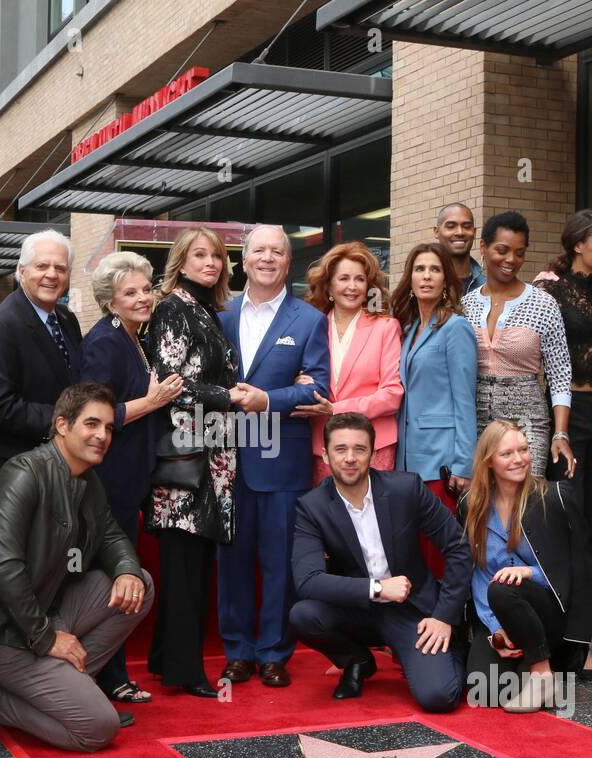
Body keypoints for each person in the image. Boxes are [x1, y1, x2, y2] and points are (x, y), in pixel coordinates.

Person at [0, 383, 154, 752]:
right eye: (91, 424)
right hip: (7, 634)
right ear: (62, 425)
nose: (102, 435)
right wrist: (46, 638)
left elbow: (111, 537)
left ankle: (70, 688)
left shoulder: (87, 480)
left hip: (52, 611)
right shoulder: (24, 473)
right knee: (98, 728)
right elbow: (3, 568)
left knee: (142, 585)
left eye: (107, 427)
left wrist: (127, 570)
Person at [290, 413, 472, 710]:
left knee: (438, 697)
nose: (350, 458)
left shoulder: (406, 489)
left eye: (359, 449)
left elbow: (459, 547)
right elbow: (307, 580)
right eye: (340, 449)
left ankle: (456, 647)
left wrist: (443, 617)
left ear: (373, 454)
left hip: (411, 610)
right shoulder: (312, 507)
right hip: (357, 609)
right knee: (303, 615)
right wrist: (377, 588)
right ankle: (358, 660)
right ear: (324, 454)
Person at [217, 224, 331, 689]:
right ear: (242, 261)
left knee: (280, 561)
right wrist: (289, 392)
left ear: (289, 263)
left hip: (282, 459)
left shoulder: (308, 319)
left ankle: (273, 652)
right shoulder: (217, 314)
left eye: (277, 252)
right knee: (232, 561)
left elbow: (318, 387)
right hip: (224, 456)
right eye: (258, 250)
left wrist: (269, 400)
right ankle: (238, 651)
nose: (267, 258)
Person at [80, 251, 182, 705]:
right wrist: (153, 400)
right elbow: (96, 414)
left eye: (146, 289)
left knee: (123, 568)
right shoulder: (104, 342)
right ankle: (108, 676)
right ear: (110, 302)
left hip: (131, 476)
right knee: (115, 572)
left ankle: (110, 673)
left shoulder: (133, 336)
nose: (143, 298)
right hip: (111, 478)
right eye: (131, 293)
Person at [534, 209, 592, 679]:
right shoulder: (548, 290)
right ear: (578, 245)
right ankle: (556, 633)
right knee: (563, 525)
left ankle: (582, 641)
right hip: (568, 416)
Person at [144, 227, 237, 697]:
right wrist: (230, 395)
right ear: (180, 261)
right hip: (186, 455)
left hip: (211, 453)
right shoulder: (173, 308)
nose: (211, 263)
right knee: (184, 567)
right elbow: (169, 384)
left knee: (193, 564)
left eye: (217, 256)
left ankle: (166, 659)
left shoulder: (206, 311)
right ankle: (184, 671)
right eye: (200, 255)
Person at [459, 420, 592, 712]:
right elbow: (479, 575)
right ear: (488, 461)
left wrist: (529, 572)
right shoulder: (471, 504)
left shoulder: (555, 496)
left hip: (548, 613)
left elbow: (578, 568)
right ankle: (538, 674)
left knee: (503, 587)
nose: (519, 459)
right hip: (501, 617)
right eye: (507, 453)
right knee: (486, 691)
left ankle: (542, 673)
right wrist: (497, 631)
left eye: (523, 449)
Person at [463, 211, 574, 476]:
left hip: (528, 421)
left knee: (526, 504)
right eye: (502, 250)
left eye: (520, 252)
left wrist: (561, 434)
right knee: (480, 503)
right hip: (475, 421)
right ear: (483, 247)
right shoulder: (465, 305)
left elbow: (560, 376)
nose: (511, 260)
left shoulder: (543, 304)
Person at [0, 229, 80, 495]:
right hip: (18, 470)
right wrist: (66, 422)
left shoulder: (66, 319)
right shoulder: (2, 325)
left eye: (60, 268)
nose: (52, 274)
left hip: (60, 464)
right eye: (42, 266)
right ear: (21, 272)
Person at [393, 241, 475, 579]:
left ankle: (447, 626)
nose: (426, 276)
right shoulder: (409, 329)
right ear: (410, 278)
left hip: (441, 462)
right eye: (420, 269)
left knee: (438, 550)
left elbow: (464, 400)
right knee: (413, 550)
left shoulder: (456, 327)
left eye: (435, 269)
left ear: (446, 280)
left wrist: (463, 464)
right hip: (407, 459)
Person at [295, 241, 403, 483]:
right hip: (323, 447)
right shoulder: (311, 328)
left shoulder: (386, 327)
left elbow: (392, 394)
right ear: (329, 286)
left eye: (360, 279)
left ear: (368, 286)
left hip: (372, 446)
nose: (352, 286)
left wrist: (336, 409)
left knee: (371, 518)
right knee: (329, 518)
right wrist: (297, 381)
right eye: (343, 278)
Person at [433, 202, 485, 295]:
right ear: (437, 232)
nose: (460, 232)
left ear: (474, 232)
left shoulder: (487, 286)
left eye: (466, 227)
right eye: (451, 226)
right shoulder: (425, 284)